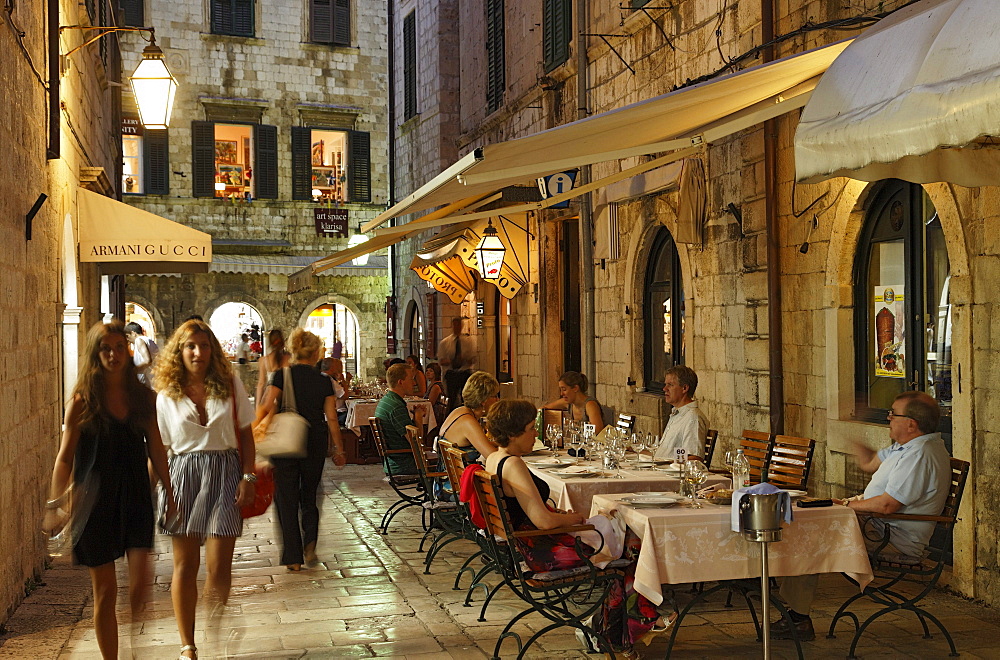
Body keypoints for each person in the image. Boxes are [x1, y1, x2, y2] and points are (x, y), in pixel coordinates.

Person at [484, 399, 660, 659]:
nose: (536, 434)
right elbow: (542, 522)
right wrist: (575, 519)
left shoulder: (495, 458)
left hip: (524, 546)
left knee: (620, 541)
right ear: (513, 433)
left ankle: (610, 628)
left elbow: (528, 513)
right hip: (541, 552)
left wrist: (563, 516)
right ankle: (620, 631)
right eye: (531, 428)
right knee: (629, 551)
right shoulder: (513, 464)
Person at [43, 321, 176, 660]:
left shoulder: (144, 397)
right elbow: (64, 459)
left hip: (134, 497)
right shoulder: (82, 401)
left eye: (120, 348)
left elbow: (157, 449)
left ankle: (135, 645)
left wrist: (170, 493)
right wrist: (55, 505)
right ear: (95, 354)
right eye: (106, 349)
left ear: (128, 351)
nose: (114, 355)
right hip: (95, 501)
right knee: (104, 590)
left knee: (140, 587)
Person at [773, 391, 952, 642]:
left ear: (911, 423)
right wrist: (851, 432)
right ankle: (793, 610)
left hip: (890, 538)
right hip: (876, 526)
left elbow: (889, 505)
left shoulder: (920, 455)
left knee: (810, 531)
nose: (888, 418)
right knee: (808, 518)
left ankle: (797, 617)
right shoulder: (906, 447)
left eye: (893, 414)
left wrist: (845, 505)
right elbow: (869, 462)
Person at [153, 319, 257, 660]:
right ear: (179, 352)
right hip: (182, 474)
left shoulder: (228, 383)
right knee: (184, 566)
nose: (198, 352)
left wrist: (248, 476)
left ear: (212, 351)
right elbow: (160, 449)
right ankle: (188, 645)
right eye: (190, 346)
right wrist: (154, 491)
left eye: (204, 346)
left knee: (219, 566)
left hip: (225, 471)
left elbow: (245, 433)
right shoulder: (166, 394)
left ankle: (215, 623)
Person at [257, 329, 346, 571]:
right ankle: (310, 543)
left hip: (285, 443)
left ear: (294, 351)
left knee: (286, 498)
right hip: (313, 441)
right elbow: (332, 418)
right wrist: (338, 448)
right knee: (309, 494)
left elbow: (266, 406)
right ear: (316, 352)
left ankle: (293, 557)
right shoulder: (323, 381)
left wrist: (256, 430)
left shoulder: (281, 376)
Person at [437, 371, 500, 465]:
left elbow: (481, 444)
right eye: (495, 396)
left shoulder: (460, 411)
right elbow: (492, 457)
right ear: (483, 400)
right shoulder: (468, 422)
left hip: (448, 476)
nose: (498, 400)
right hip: (461, 478)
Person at [374, 363, 425, 475]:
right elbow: (416, 442)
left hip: (393, 463)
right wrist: (418, 417)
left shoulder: (387, 400)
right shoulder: (396, 406)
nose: (414, 383)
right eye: (411, 379)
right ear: (400, 382)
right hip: (404, 465)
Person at [652, 365, 709, 461]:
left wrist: (669, 466)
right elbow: (665, 453)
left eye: (670, 385)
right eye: (665, 384)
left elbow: (694, 457)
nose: (664, 389)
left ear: (684, 388)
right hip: (661, 469)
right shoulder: (678, 413)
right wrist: (633, 449)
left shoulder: (692, 418)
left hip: (670, 473)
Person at [438, 317, 476, 409]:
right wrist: (451, 361)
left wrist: (464, 359)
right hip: (452, 373)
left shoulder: (468, 341)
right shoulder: (445, 342)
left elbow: (473, 359)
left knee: (465, 397)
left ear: (462, 326)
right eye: (455, 325)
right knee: (451, 398)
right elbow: (441, 360)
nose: (457, 327)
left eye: (459, 325)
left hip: (464, 372)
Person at [255, 328, 290, 405]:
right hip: (286, 399)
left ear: (270, 343)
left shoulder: (264, 360)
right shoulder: (289, 359)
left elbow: (261, 384)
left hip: (270, 399)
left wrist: (258, 404)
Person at [319, 356, 352, 425]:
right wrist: (343, 380)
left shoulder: (321, 377)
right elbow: (345, 396)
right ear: (332, 367)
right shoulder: (329, 380)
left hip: (326, 414)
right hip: (338, 414)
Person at [125, 322, 159, 387]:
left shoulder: (139, 340)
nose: (127, 339)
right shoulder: (150, 341)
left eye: (127, 336)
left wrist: (133, 371)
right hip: (153, 380)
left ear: (133, 333)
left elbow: (147, 360)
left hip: (146, 381)